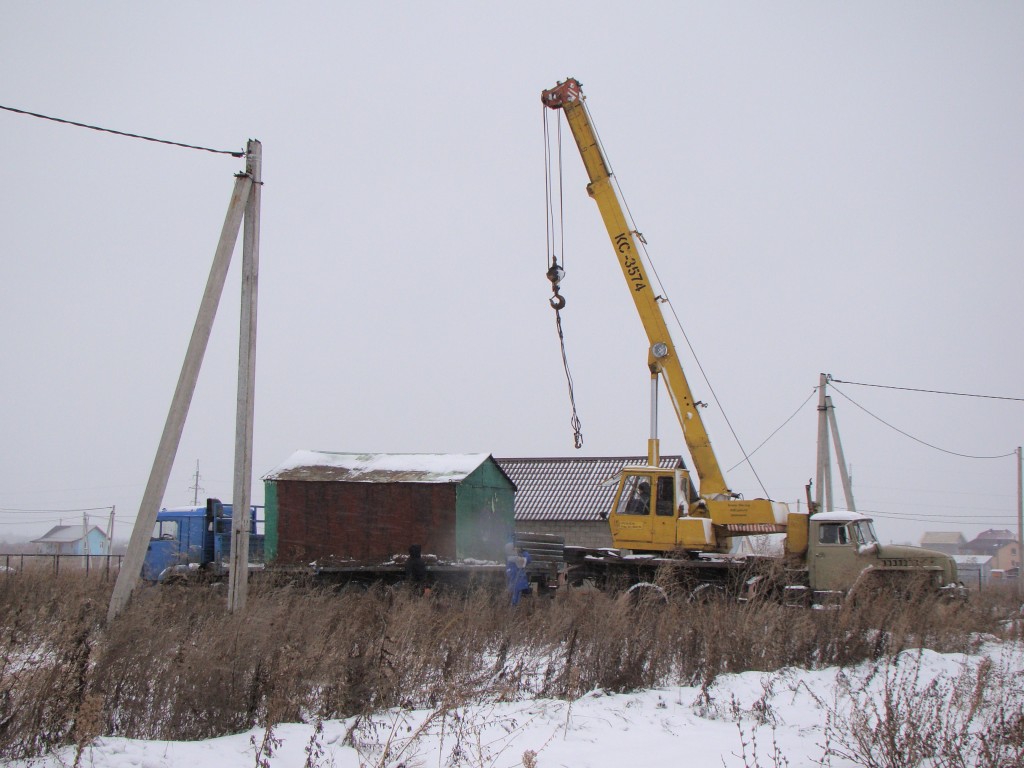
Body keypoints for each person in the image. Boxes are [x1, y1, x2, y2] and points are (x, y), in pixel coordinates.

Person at [504, 542, 531, 606]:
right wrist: (525, 552)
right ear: (511, 550)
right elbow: (528, 560)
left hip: (513, 583)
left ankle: (512, 613)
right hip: (517, 584)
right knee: (515, 602)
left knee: (513, 601)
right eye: (514, 548)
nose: (516, 549)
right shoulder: (515, 559)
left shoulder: (509, 559)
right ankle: (514, 614)